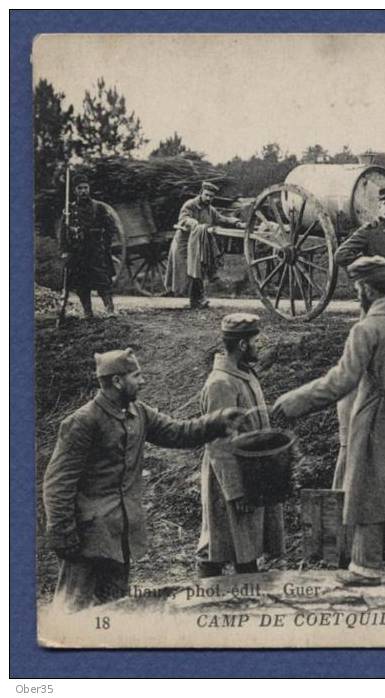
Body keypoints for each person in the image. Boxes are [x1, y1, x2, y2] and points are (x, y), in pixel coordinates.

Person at [271, 256, 385, 586]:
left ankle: (366, 567)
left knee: (368, 487)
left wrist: (293, 402)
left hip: (379, 417)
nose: (358, 295)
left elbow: (342, 380)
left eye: (357, 289)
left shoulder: (367, 329)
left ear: (367, 289)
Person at [43, 349, 245, 612]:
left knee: (114, 610)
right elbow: (58, 484)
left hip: (120, 535)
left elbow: (178, 433)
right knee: (71, 611)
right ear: (117, 381)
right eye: (137, 376)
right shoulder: (83, 422)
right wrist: (63, 534)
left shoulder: (139, 413)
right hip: (86, 539)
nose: (143, 381)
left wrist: (217, 422)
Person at [329, 186, 385, 487]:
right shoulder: (368, 232)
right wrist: (366, 275)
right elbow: (341, 255)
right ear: (378, 207)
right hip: (375, 303)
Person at [196, 313, 285, 578]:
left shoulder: (243, 374)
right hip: (231, 480)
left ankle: (239, 597)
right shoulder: (221, 384)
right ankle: (203, 602)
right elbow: (219, 445)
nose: (261, 345)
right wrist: (237, 492)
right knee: (220, 549)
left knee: (242, 546)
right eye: (256, 341)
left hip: (251, 475)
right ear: (244, 345)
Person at [173, 181, 243, 308]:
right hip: (185, 243)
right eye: (206, 195)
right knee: (191, 271)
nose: (209, 198)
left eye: (211, 196)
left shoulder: (210, 209)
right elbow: (183, 219)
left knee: (198, 269)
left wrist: (237, 223)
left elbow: (222, 219)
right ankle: (195, 300)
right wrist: (193, 222)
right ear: (201, 193)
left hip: (199, 243)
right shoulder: (190, 205)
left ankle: (197, 300)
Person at [58, 173, 118, 318]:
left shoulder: (99, 208)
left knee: (102, 280)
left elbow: (111, 228)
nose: (83, 191)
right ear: (75, 191)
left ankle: (109, 310)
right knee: (81, 283)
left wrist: (105, 245)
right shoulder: (69, 210)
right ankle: (87, 312)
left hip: (95, 250)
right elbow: (63, 232)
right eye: (80, 188)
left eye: (85, 188)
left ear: (89, 188)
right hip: (77, 251)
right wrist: (65, 250)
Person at [334, 186, 385, 271]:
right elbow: (341, 255)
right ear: (379, 207)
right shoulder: (369, 230)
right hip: (378, 281)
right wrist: (368, 265)